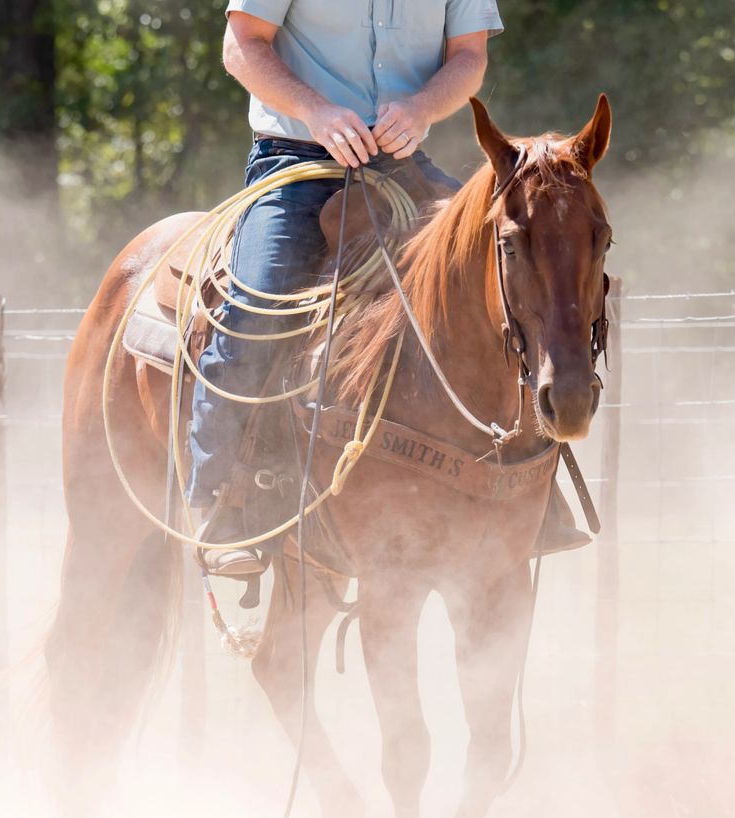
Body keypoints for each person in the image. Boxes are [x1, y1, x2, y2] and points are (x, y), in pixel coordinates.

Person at [192, 0, 584, 576]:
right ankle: (224, 503)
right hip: (294, 162)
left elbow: (469, 56)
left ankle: (530, 491)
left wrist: (422, 107)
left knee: (504, 278)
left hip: (403, 163)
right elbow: (242, 44)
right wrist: (318, 111)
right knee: (254, 311)